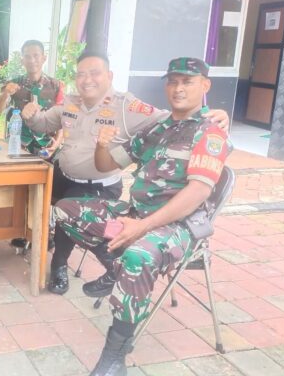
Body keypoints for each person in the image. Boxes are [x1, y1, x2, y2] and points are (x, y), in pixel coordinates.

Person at [53, 57, 231, 375]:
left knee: (138, 256)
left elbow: (198, 192)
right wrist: (102, 146)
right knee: (65, 210)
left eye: (187, 82)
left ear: (205, 85)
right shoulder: (157, 129)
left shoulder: (210, 132)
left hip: (178, 227)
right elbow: (108, 165)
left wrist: (142, 227)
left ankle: (114, 357)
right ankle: (116, 267)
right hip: (135, 216)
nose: (178, 88)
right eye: (173, 81)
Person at [21, 51, 230, 294]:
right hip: (65, 175)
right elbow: (43, 124)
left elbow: (176, 118)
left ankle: (64, 265)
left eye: (94, 73)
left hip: (100, 186)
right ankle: (34, 239)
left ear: (109, 76)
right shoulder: (69, 103)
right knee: (35, 192)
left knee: (71, 208)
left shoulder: (127, 106)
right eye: (81, 74)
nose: (87, 80)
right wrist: (31, 115)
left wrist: (217, 116)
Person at [0, 40, 65, 250]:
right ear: (22, 59)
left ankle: (44, 232)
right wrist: (5, 93)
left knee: (46, 190)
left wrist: (57, 143)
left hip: (46, 146)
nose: (32, 60)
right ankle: (22, 231)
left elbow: (64, 119)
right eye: (27, 56)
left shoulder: (56, 86)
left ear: (44, 58)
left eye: (36, 55)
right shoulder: (13, 84)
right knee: (20, 189)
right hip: (19, 146)